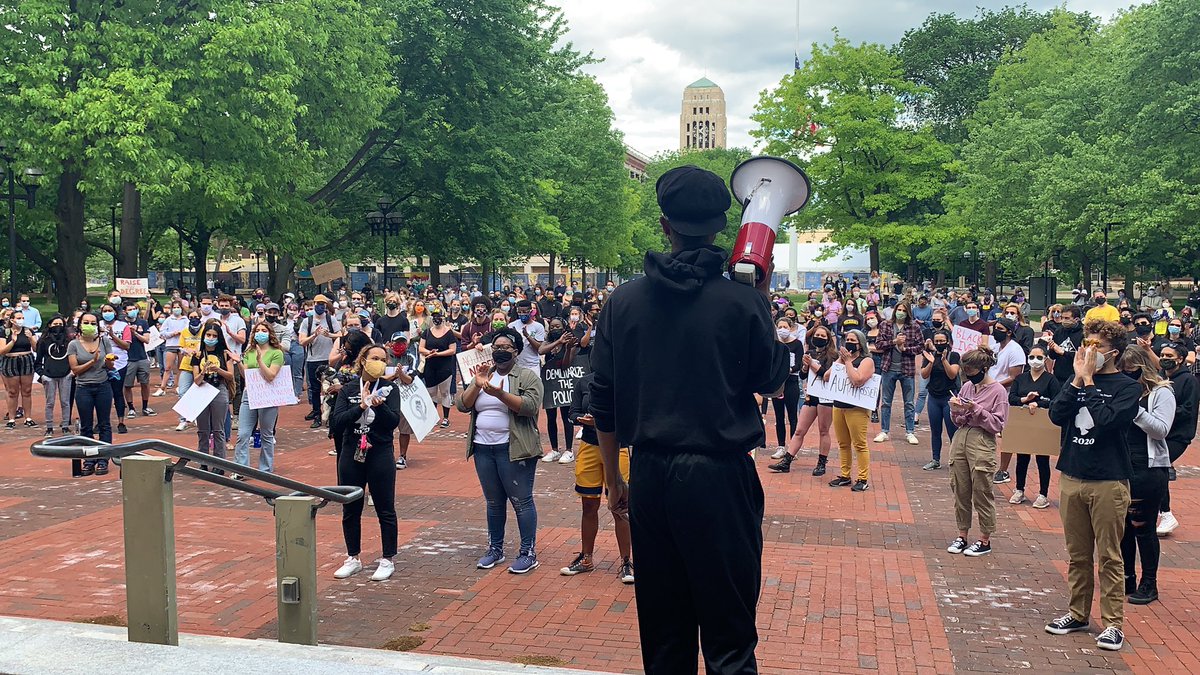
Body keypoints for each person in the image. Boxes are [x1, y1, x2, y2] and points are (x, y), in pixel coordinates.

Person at [589, 165, 789, 673]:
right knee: (730, 639)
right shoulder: (742, 302)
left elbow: (604, 401)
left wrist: (615, 478)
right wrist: (759, 300)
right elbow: (771, 381)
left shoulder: (622, 302)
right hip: (721, 479)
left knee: (664, 637)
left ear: (665, 225)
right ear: (721, 227)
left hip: (652, 473)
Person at [1045, 319, 1141, 651]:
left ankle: (1113, 623)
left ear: (1113, 352)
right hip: (1073, 473)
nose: (1088, 351)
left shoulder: (1128, 386)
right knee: (1078, 554)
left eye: (1096, 346)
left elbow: (1108, 421)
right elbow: (1056, 415)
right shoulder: (1076, 380)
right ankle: (1078, 613)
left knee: (1110, 556)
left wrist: (1087, 380)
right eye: (1086, 344)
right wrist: (1076, 379)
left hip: (1109, 479)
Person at [455, 327, 544, 574]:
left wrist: (500, 394)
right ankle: (495, 549)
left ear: (516, 351)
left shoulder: (526, 376)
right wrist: (477, 383)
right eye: (496, 347)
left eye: (506, 347)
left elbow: (530, 407)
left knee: (521, 501)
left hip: (514, 449)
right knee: (494, 502)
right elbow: (462, 405)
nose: (500, 351)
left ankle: (528, 552)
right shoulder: (484, 374)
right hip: (484, 448)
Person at [329, 345, 402, 581]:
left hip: (380, 451)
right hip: (352, 452)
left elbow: (393, 423)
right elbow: (337, 423)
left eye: (383, 359)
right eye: (374, 358)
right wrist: (361, 405)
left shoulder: (390, 388)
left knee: (385, 507)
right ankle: (353, 557)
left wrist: (378, 407)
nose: (378, 362)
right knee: (350, 507)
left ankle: (387, 558)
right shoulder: (349, 389)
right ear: (363, 361)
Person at [561, 371, 634, 583]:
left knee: (621, 507)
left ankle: (626, 562)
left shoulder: (624, 380)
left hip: (618, 447)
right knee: (588, 505)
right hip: (589, 445)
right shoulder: (583, 382)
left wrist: (605, 420)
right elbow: (572, 413)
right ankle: (586, 558)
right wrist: (583, 419)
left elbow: (631, 415)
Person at [1116, 345, 1174, 606]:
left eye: (1132, 371)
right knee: (1123, 527)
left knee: (1143, 527)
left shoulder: (1161, 393)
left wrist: (1135, 409)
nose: (1128, 375)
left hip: (1148, 467)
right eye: (1123, 371)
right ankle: (1127, 576)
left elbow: (1161, 429)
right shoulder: (1122, 390)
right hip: (1120, 464)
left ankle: (1149, 582)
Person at [945, 346, 1009, 557]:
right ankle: (962, 534)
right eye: (966, 371)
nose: (969, 375)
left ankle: (985, 538)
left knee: (981, 489)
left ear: (983, 368)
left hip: (982, 440)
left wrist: (976, 409)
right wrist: (957, 410)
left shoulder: (998, 391)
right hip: (962, 437)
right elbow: (958, 421)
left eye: (972, 371)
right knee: (960, 487)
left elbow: (998, 424)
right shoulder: (966, 387)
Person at [768, 325, 836, 475]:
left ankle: (822, 463)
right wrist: (805, 367)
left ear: (828, 339)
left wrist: (811, 364)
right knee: (799, 430)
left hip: (825, 396)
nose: (819, 338)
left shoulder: (833, 356)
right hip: (811, 395)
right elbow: (803, 376)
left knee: (823, 430)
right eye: (817, 335)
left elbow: (827, 375)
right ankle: (787, 460)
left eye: (823, 336)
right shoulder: (810, 353)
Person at [1007, 346, 1061, 507]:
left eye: (1039, 357)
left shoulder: (1051, 380)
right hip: (1024, 422)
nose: (1034, 361)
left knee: (1042, 458)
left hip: (1042, 423)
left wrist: (1039, 403)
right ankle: (1019, 490)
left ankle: (1043, 494)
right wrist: (1025, 400)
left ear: (1045, 359)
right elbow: (1012, 398)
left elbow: (1057, 400)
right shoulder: (1021, 378)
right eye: (1031, 357)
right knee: (1022, 457)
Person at [233, 322, 285, 475]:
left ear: (270, 334)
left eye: (264, 330)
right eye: (257, 330)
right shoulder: (250, 352)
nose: (260, 333)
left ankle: (265, 469)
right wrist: (238, 363)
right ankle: (241, 469)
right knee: (243, 433)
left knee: (266, 433)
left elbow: (270, 376)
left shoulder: (277, 353)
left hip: (268, 396)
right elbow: (247, 376)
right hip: (250, 394)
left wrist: (260, 360)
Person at [828, 329, 877, 491]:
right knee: (843, 443)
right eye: (847, 339)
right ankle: (845, 475)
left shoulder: (866, 361)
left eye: (852, 340)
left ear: (860, 344)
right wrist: (840, 361)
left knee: (859, 444)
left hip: (857, 408)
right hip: (839, 405)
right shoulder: (842, 360)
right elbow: (828, 377)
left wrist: (848, 362)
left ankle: (862, 478)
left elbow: (858, 380)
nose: (849, 342)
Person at [68, 313, 117, 474]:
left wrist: (109, 361)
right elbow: (75, 370)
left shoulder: (104, 341)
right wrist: (92, 361)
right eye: (86, 322)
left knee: (104, 424)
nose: (90, 325)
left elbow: (109, 366)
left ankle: (103, 459)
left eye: (93, 322)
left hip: (103, 386)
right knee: (86, 426)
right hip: (83, 388)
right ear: (80, 325)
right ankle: (89, 459)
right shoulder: (74, 344)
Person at [1156, 343, 1197, 535]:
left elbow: (1188, 409)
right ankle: (1159, 510)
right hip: (1161, 432)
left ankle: (1166, 514)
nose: (1164, 358)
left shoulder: (1188, 380)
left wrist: (1163, 412)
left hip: (1178, 436)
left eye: (1169, 355)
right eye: (1162, 354)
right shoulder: (1163, 378)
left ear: (1180, 359)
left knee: (1159, 466)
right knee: (1156, 467)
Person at [186, 321, 236, 473]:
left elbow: (230, 375)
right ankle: (203, 460)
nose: (211, 338)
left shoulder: (225, 354)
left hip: (219, 388)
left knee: (218, 429)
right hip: (201, 390)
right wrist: (203, 371)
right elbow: (196, 380)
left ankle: (220, 463)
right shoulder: (198, 355)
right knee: (203, 429)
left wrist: (217, 369)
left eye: (214, 336)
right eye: (208, 335)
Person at [874, 301, 923, 445]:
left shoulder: (914, 327)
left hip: (907, 369)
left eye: (903, 310)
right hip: (888, 368)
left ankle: (910, 431)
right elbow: (879, 344)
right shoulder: (885, 325)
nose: (900, 312)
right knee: (886, 402)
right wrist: (894, 341)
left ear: (908, 312)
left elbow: (920, 347)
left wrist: (905, 349)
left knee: (909, 402)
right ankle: (884, 430)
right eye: (898, 309)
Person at [987, 317, 1028, 484]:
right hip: (990, 393)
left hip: (1006, 395)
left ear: (1009, 332)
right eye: (995, 327)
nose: (995, 330)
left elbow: (1014, 377)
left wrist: (994, 385)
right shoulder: (996, 347)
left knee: (1007, 434)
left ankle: (1003, 470)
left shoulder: (1015, 350)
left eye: (999, 328)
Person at [539, 317, 578, 463]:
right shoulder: (549, 341)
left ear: (564, 328)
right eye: (552, 326)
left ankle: (568, 450)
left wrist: (566, 348)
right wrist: (558, 342)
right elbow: (541, 350)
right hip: (550, 383)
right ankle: (554, 449)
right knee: (551, 417)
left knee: (566, 417)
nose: (555, 329)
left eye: (558, 326)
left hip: (564, 383)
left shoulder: (571, 341)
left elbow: (566, 364)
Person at [299, 294, 342, 429]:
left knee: (330, 387)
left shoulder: (331, 319)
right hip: (313, 359)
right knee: (315, 389)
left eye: (322, 304)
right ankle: (317, 414)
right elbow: (302, 341)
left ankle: (330, 414)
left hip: (328, 358)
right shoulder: (308, 321)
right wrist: (314, 335)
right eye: (317, 304)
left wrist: (329, 335)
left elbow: (340, 335)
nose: (320, 306)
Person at [919, 328, 959, 471]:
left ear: (948, 341)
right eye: (937, 341)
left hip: (949, 398)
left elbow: (952, 375)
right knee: (935, 430)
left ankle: (956, 459)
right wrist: (930, 362)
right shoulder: (930, 355)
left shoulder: (953, 356)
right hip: (934, 397)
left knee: (952, 430)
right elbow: (924, 375)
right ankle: (935, 459)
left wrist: (943, 360)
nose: (940, 343)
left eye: (942, 341)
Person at [767, 317, 804, 456]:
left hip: (791, 382)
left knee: (792, 416)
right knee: (779, 416)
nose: (782, 329)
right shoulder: (774, 344)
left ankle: (793, 448)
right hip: (778, 384)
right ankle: (781, 446)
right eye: (780, 327)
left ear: (791, 328)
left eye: (785, 327)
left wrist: (789, 369)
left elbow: (799, 363)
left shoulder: (797, 344)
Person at [418, 307, 458, 428]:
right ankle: (434, 416)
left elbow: (453, 350)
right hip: (430, 365)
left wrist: (438, 354)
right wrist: (429, 352)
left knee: (445, 392)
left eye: (439, 316)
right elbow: (420, 347)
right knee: (431, 392)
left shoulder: (449, 333)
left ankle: (446, 418)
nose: (436, 319)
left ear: (443, 317)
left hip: (444, 366)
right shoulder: (427, 332)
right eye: (434, 316)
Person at [34, 315, 73, 437]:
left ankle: (65, 426)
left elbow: (73, 356)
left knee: (65, 402)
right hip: (49, 375)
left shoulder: (68, 340)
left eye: (60, 324)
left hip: (65, 375)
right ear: (49, 325)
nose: (58, 327)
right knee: (49, 402)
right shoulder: (44, 340)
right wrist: (42, 375)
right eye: (55, 324)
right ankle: (49, 427)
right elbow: (38, 360)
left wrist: (72, 372)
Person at [0, 310, 38, 429]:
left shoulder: (28, 331)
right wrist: (13, 341)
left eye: (22, 317)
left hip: (26, 360)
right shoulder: (5, 332)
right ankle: (12, 418)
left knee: (27, 390)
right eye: (18, 317)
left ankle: (28, 417)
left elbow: (36, 348)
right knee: (12, 392)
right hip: (10, 360)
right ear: (12, 320)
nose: (21, 320)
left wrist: (31, 338)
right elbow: (2, 351)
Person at [385, 332, 417, 469]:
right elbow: (379, 377)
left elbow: (410, 380)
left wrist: (401, 374)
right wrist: (394, 375)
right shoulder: (384, 356)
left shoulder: (410, 357)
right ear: (391, 343)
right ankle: (387, 454)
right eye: (397, 342)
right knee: (386, 427)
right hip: (386, 397)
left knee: (404, 428)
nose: (400, 345)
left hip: (404, 396)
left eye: (402, 342)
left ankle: (402, 456)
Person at [120, 301, 155, 419]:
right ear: (124, 311)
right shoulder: (121, 324)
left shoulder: (142, 322)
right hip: (128, 359)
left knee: (145, 383)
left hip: (142, 357)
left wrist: (134, 333)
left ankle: (145, 406)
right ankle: (131, 408)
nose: (132, 311)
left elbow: (146, 340)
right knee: (128, 385)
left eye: (134, 308)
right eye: (129, 309)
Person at [156, 300, 189, 397]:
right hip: (170, 345)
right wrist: (172, 333)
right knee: (168, 367)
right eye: (174, 307)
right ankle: (162, 387)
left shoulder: (185, 319)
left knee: (181, 367)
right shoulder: (169, 320)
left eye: (178, 307)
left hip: (182, 345)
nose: (176, 309)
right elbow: (162, 332)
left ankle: (179, 386)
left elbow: (188, 330)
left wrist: (181, 333)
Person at [508, 299, 545, 376]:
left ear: (530, 311)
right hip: (516, 365)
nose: (522, 314)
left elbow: (539, 348)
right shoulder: (511, 325)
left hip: (532, 365)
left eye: (525, 312)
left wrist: (527, 336)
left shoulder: (538, 326)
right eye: (520, 312)